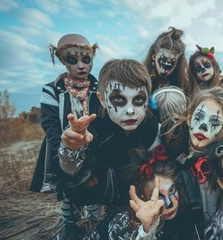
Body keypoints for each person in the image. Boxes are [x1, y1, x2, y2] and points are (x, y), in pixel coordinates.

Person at [58, 59, 160, 238]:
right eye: (119, 99)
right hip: (100, 199)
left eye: (138, 99)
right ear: (102, 99)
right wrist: (71, 151)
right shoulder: (93, 131)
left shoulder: (152, 128)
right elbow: (73, 185)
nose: (130, 110)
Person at [29, 33, 101, 240]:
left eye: (86, 60)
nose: (81, 65)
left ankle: (95, 224)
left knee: (94, 185)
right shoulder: (52, 89)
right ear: (62, 60)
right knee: (67, 186)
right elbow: (49, 123)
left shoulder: (99, 88)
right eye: (73, 60)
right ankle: (69, 226)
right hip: (62, 146)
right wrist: (63, 146)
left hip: (93, 145)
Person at [162, 87, 223, 223]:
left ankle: (210, 223)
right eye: (199, 117)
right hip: (180, 174)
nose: (203, 127)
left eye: (214, 122)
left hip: (208, 184)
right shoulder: (173, 134)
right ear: (189, 118)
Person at [84, 146, 186, 240]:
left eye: (172, 190)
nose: (169, 203)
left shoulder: (177, 216)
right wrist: (145, 230)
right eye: (158, 196)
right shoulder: (124, 224)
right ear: (142, 197)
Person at [143, 27, 189, 95]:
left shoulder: (183, 85)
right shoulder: (142, 79)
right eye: (164, 58)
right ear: (154, 57)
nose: (167, 62)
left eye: (172, 60)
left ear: (177, 63)